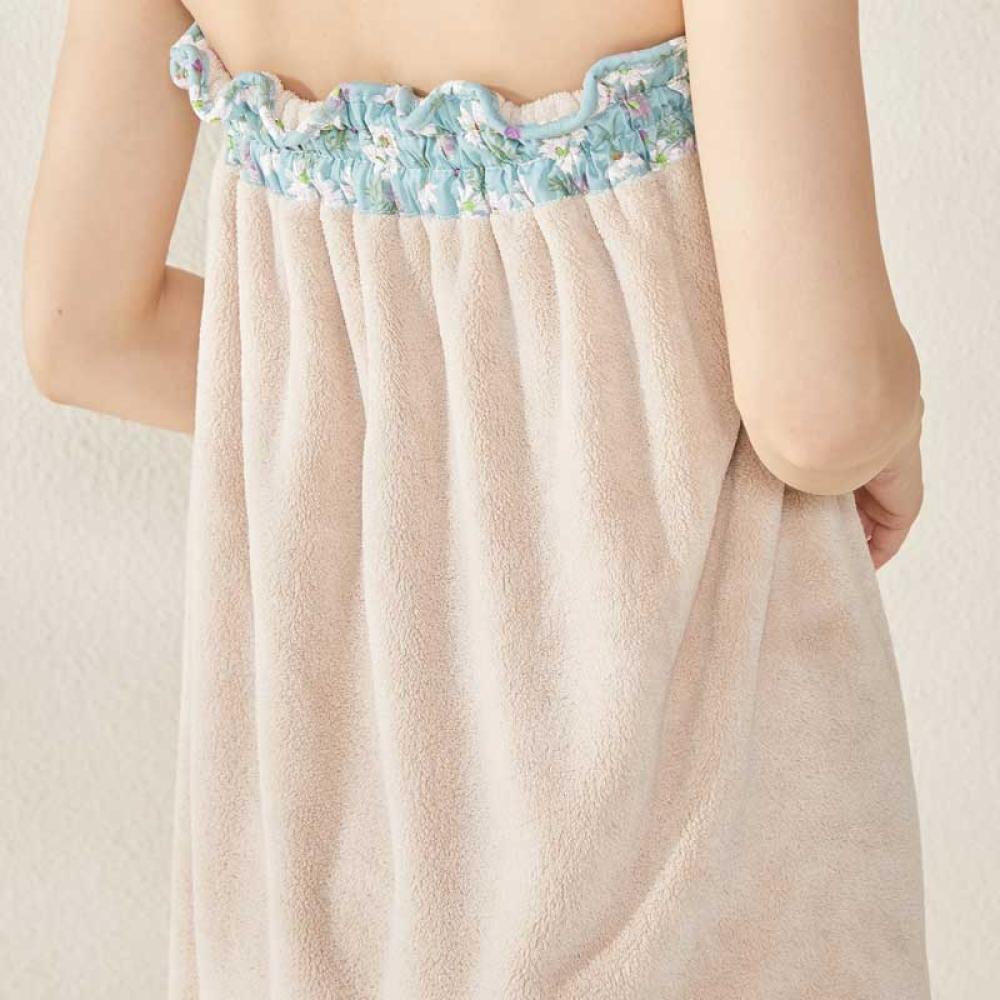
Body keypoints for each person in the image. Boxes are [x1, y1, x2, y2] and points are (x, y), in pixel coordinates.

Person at [21, 1, 930, 997]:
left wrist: (407, 404)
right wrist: (892, 430)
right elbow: (818, 409)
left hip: (333, 819)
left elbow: (85, 331)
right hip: (682, 812)